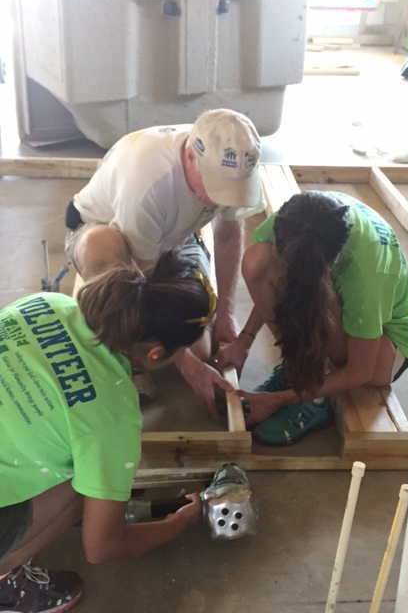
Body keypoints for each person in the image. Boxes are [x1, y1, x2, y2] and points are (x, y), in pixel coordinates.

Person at [0, 249, 216, 612]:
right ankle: (6, 582)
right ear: (156, 353)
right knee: (88, 484)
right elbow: (102, 548)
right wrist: (176, 524)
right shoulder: (114, 415)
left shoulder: (46, 303)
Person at [64, 108, 265, 416]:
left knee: (200, 348)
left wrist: (225, 315)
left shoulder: (235, 162)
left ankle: (148, 346)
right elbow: (144, 284)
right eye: (215, 187)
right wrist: (186, 364)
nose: (219, 200)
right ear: (190, 157)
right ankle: (123, 352)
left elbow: (227, 235)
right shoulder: (147, 182)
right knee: (103, 246)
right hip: (107, 236)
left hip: (175, 239)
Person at [217, 190, 408, 446]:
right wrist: (244, 341)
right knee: (259, 260)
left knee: (316, 297)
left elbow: (360, 371)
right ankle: (296, 367)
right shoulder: (296, 218)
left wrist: (282, 399)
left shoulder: (367, 276)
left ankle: (315, 399)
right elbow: (271, 283)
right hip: (342, 305)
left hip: (385, 349)